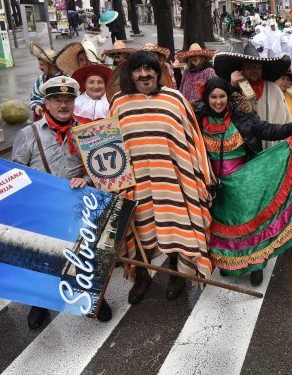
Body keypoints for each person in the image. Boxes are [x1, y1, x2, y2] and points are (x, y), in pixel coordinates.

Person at [195, 78, 292, 286]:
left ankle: (256, 264)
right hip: (215, 187)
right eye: (213, 97)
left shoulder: (241, 117)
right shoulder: (198, 121)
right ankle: (228, 263)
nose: (218, 101)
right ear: (207, 99)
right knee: (223, 227)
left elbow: (267, 129)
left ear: (228, 97)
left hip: (246, 182)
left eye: (222, 96)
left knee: (251, 226)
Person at [110, 50, 214, 304]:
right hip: (136, 183)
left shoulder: (175, 99)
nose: (144, 74)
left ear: (159, 72)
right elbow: (108, 144)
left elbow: (193, 140)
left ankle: (178, 274)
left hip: (173, 179)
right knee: (140, 230)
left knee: (177, 228)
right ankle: (142, 275)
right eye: (138, 69)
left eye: (150, 69)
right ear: (130, 74)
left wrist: (202, 177)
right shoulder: (119, 103)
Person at [12, 76, 112, 328]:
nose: (63, 104)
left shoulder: (87, 132)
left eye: (68, 99)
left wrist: (86, 180)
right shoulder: (28, 134)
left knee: (86, 254)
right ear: (46, 102)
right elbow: (15, 174)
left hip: (79, 206)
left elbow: (101, 168)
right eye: (57, 99)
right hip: (43, 208)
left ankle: (94, 297)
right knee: (42, 254)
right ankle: (40, 302)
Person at [214, 45, 292, 149]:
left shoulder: (274, 89)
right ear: (241, 70)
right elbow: (224, 114)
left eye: (257, 67)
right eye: (249, 67)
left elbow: (286, 118)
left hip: (272, 148)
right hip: (244, 149)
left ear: (262, 69)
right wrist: (232, 88)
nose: (253, 70)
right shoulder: (234, 89)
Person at [29, 42, 64, 121]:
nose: (39, 68)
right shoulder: (41, 79)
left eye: (42, 65)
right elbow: (34, 98)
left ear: (50, 64)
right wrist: (36, 106)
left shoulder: (66, 80)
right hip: (44, 121)